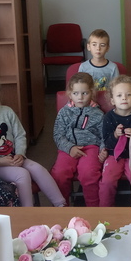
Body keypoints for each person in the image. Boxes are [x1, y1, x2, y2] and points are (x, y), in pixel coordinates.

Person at [0, 71, 65, 207]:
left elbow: (20, 135)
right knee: (22, 174)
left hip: (15, 158)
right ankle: (27, 212)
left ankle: (61, 205)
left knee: (38, 168)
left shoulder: (6, 112)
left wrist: (20, 154)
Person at [50, 72, 105, 206]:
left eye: (84, 93)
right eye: (76, 93)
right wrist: (69, 148)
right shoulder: (64, 112)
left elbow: (104, 135)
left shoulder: (98, 114)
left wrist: (103, 149)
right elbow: (58, 134)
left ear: (91, 92)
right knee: (59, 174)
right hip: (68, 148)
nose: (80, 97)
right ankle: (62, 207)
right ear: (70, 94)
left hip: (91, 148)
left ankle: (93, 208)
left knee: (89, 173)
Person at [99, 75, 131, 206]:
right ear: (112, 100)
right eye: (119, 95)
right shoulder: (108, 117)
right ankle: (105, 209)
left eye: (128, 95)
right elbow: (107, 143)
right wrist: (115, 135)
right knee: (107, 182)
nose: (124, 98)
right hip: (113, 155)